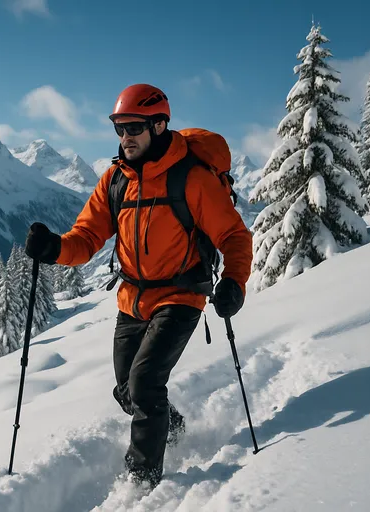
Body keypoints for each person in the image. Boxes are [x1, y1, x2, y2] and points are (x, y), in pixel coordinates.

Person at [24, 83, 253, 488]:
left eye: (133, 128)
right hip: (132, 299)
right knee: (125, 389)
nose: (125, 138)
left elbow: (234, 236)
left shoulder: (192, 179)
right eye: (119, 129)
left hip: (182, 295)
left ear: (159, 125)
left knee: (146, 382)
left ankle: (141, 481)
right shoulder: (116, 180)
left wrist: (234, 281)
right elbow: (87, 237)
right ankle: (171, 426)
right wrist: (54, 248)